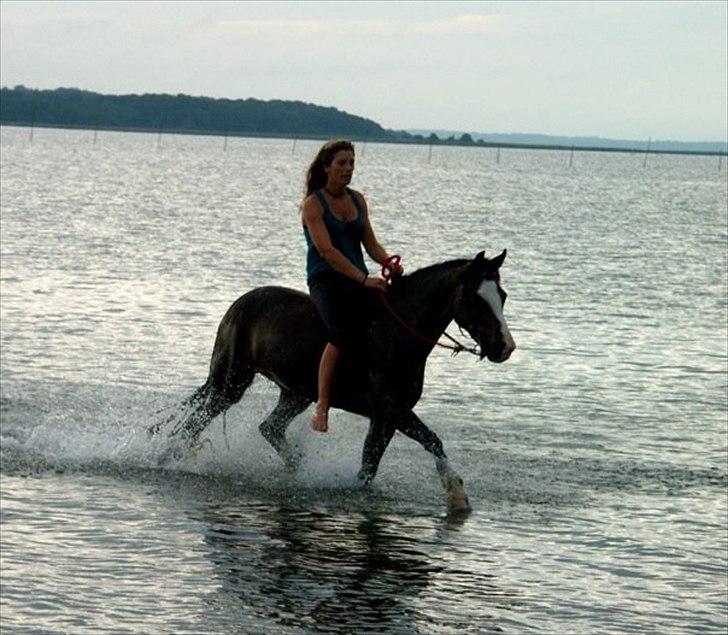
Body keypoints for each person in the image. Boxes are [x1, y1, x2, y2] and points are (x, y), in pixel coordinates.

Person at [301, 139, 403, 433]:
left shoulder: (357, 200)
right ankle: (322, 407)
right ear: (326, 167)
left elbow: (370, 243)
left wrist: (388, 262)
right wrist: (363, 279)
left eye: (351, 163)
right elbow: (327, 251)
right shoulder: (313, 204)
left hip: (358, 277)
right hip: (326, 280)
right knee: (342, 334)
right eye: (341, 163)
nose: (348, 169)